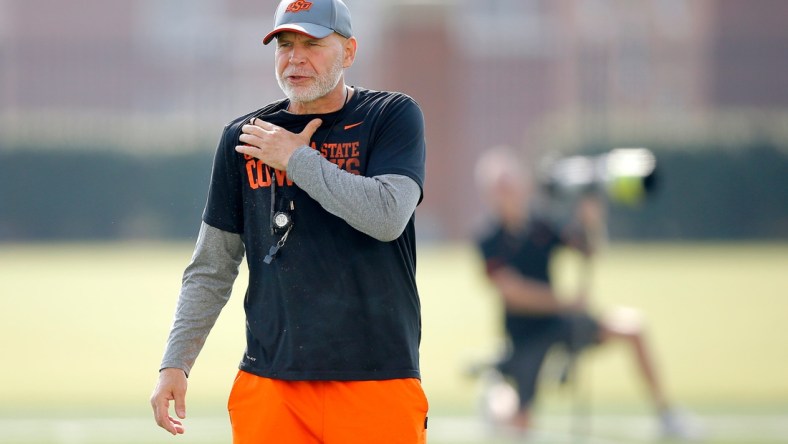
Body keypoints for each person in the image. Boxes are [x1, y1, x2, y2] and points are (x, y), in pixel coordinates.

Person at [149, 1, 428, 442]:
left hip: (377, 378)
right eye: (284, 44)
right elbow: (211, 268)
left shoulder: (390, 116)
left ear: (349, 52)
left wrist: (296, 159)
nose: (295, 57)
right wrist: (175, 362)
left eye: (312, 44)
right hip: (271, 383)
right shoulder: (244, 138)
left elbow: (389, 215)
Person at [473, 146, 695, 439]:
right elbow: (513, 293)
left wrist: (591, 222)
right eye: (501, 188)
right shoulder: (488, 239)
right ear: (490, 195)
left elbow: (587, 250)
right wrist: (565, 302)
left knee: (632, 328)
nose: (509, 193)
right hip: (524, 335)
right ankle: (497, 390)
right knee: (516, 422)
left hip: (560, 324)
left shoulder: (541, 224)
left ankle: (666, 414)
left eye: (512, 185)